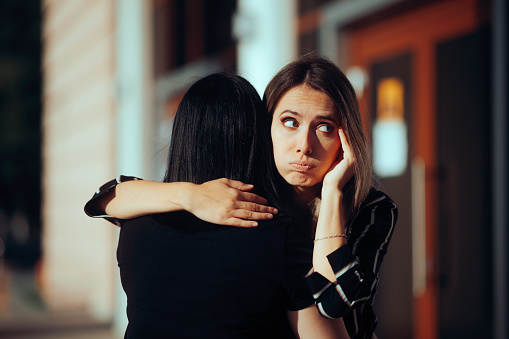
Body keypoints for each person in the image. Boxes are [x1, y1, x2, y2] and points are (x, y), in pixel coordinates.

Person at [86, 54, 397, 339]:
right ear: (265, 129)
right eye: (290, 122)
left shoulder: (371, 209)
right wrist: (191, 195)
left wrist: (332, 194)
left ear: (346, 139)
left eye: (325, 127)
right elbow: (104, 201)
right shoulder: (250, 198)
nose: (304, 144)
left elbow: (333, 304)